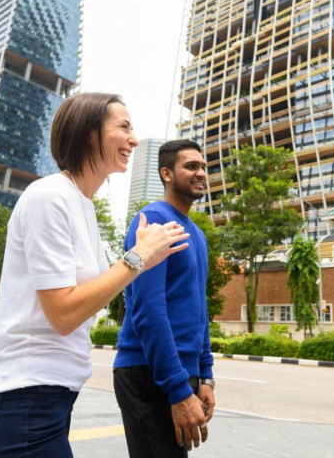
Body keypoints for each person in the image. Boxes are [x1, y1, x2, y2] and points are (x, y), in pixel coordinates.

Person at [0, 93, 191, 458]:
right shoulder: (49, 197)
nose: (134, 140)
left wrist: (140, 261)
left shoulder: (82, 207)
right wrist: (137, 258)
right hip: (25, 403)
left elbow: (87, 297)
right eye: (123, 127)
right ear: (90, 134)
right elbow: (63, 313)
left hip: (49, 403)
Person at [113, 139, 215, 457]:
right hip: (148, 372)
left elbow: (199, 309)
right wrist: (176, 388)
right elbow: (147, 309)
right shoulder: (154, 220)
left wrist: (206, 374)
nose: (201, 173)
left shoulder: (196, 234)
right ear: (166, 173)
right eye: (191, 166)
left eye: (203, 167)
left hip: (181, 373)